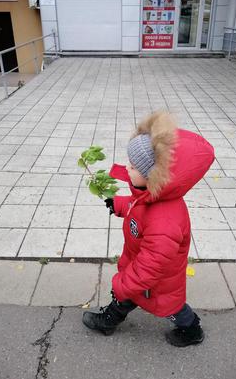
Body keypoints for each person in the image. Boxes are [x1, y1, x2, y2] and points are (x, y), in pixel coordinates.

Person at [82, 111, 215, 347]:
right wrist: (118, 204)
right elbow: (138, 206)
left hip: (157, 281)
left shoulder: (165, 222)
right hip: (141, 273)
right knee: (129, 296)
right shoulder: (152, 196)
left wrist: (122, 284)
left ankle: (192, 330)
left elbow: (149, 267)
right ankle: (109, 321)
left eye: (133, 166)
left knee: (171, 308)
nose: (127, 168)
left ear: (152, 176)